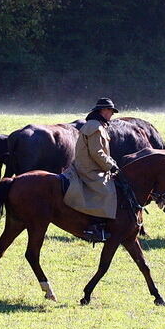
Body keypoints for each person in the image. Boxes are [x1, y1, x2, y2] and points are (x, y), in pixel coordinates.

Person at [62, 97, 120, 242]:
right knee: (107, 191)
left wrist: (112, 163)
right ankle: (94, 227)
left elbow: (102, 153)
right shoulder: (95, 127)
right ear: (102, 111)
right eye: (110, 111)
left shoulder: (97, 125)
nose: (112, 114)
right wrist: (110, 166)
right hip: (89, 169)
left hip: (93, 167)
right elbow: (97, 153)